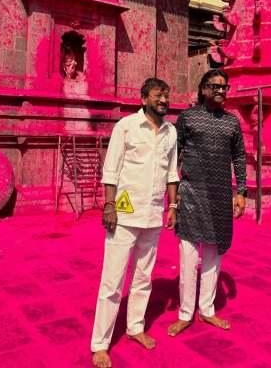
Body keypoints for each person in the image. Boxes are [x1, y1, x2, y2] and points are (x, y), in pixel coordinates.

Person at [91, 78, 179, 368]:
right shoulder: (126, 126)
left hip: (153, 213)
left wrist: (173, 206)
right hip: (125, 213)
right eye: (157, 95)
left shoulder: (170, 132)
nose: (163, 100)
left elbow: (171, 174)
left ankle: (135, 327)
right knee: (113, 280)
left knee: (143, 277)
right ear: (143, 99)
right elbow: (111, 169)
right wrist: (109, 206)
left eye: (166, 95)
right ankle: (100, 344)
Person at [168, 69, 247, 337]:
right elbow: (173, 155)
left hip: (220, 196)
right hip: (190, 195)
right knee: (188, 257)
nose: (221, 91)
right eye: (215, 86)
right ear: (202, 89)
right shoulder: (187, 118)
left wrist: (242, 192)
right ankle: (184, 313)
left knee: (213, 256)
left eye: (225, 87)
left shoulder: (232, 122)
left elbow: (239, 157)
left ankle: (207, 309)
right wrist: (172, 192)